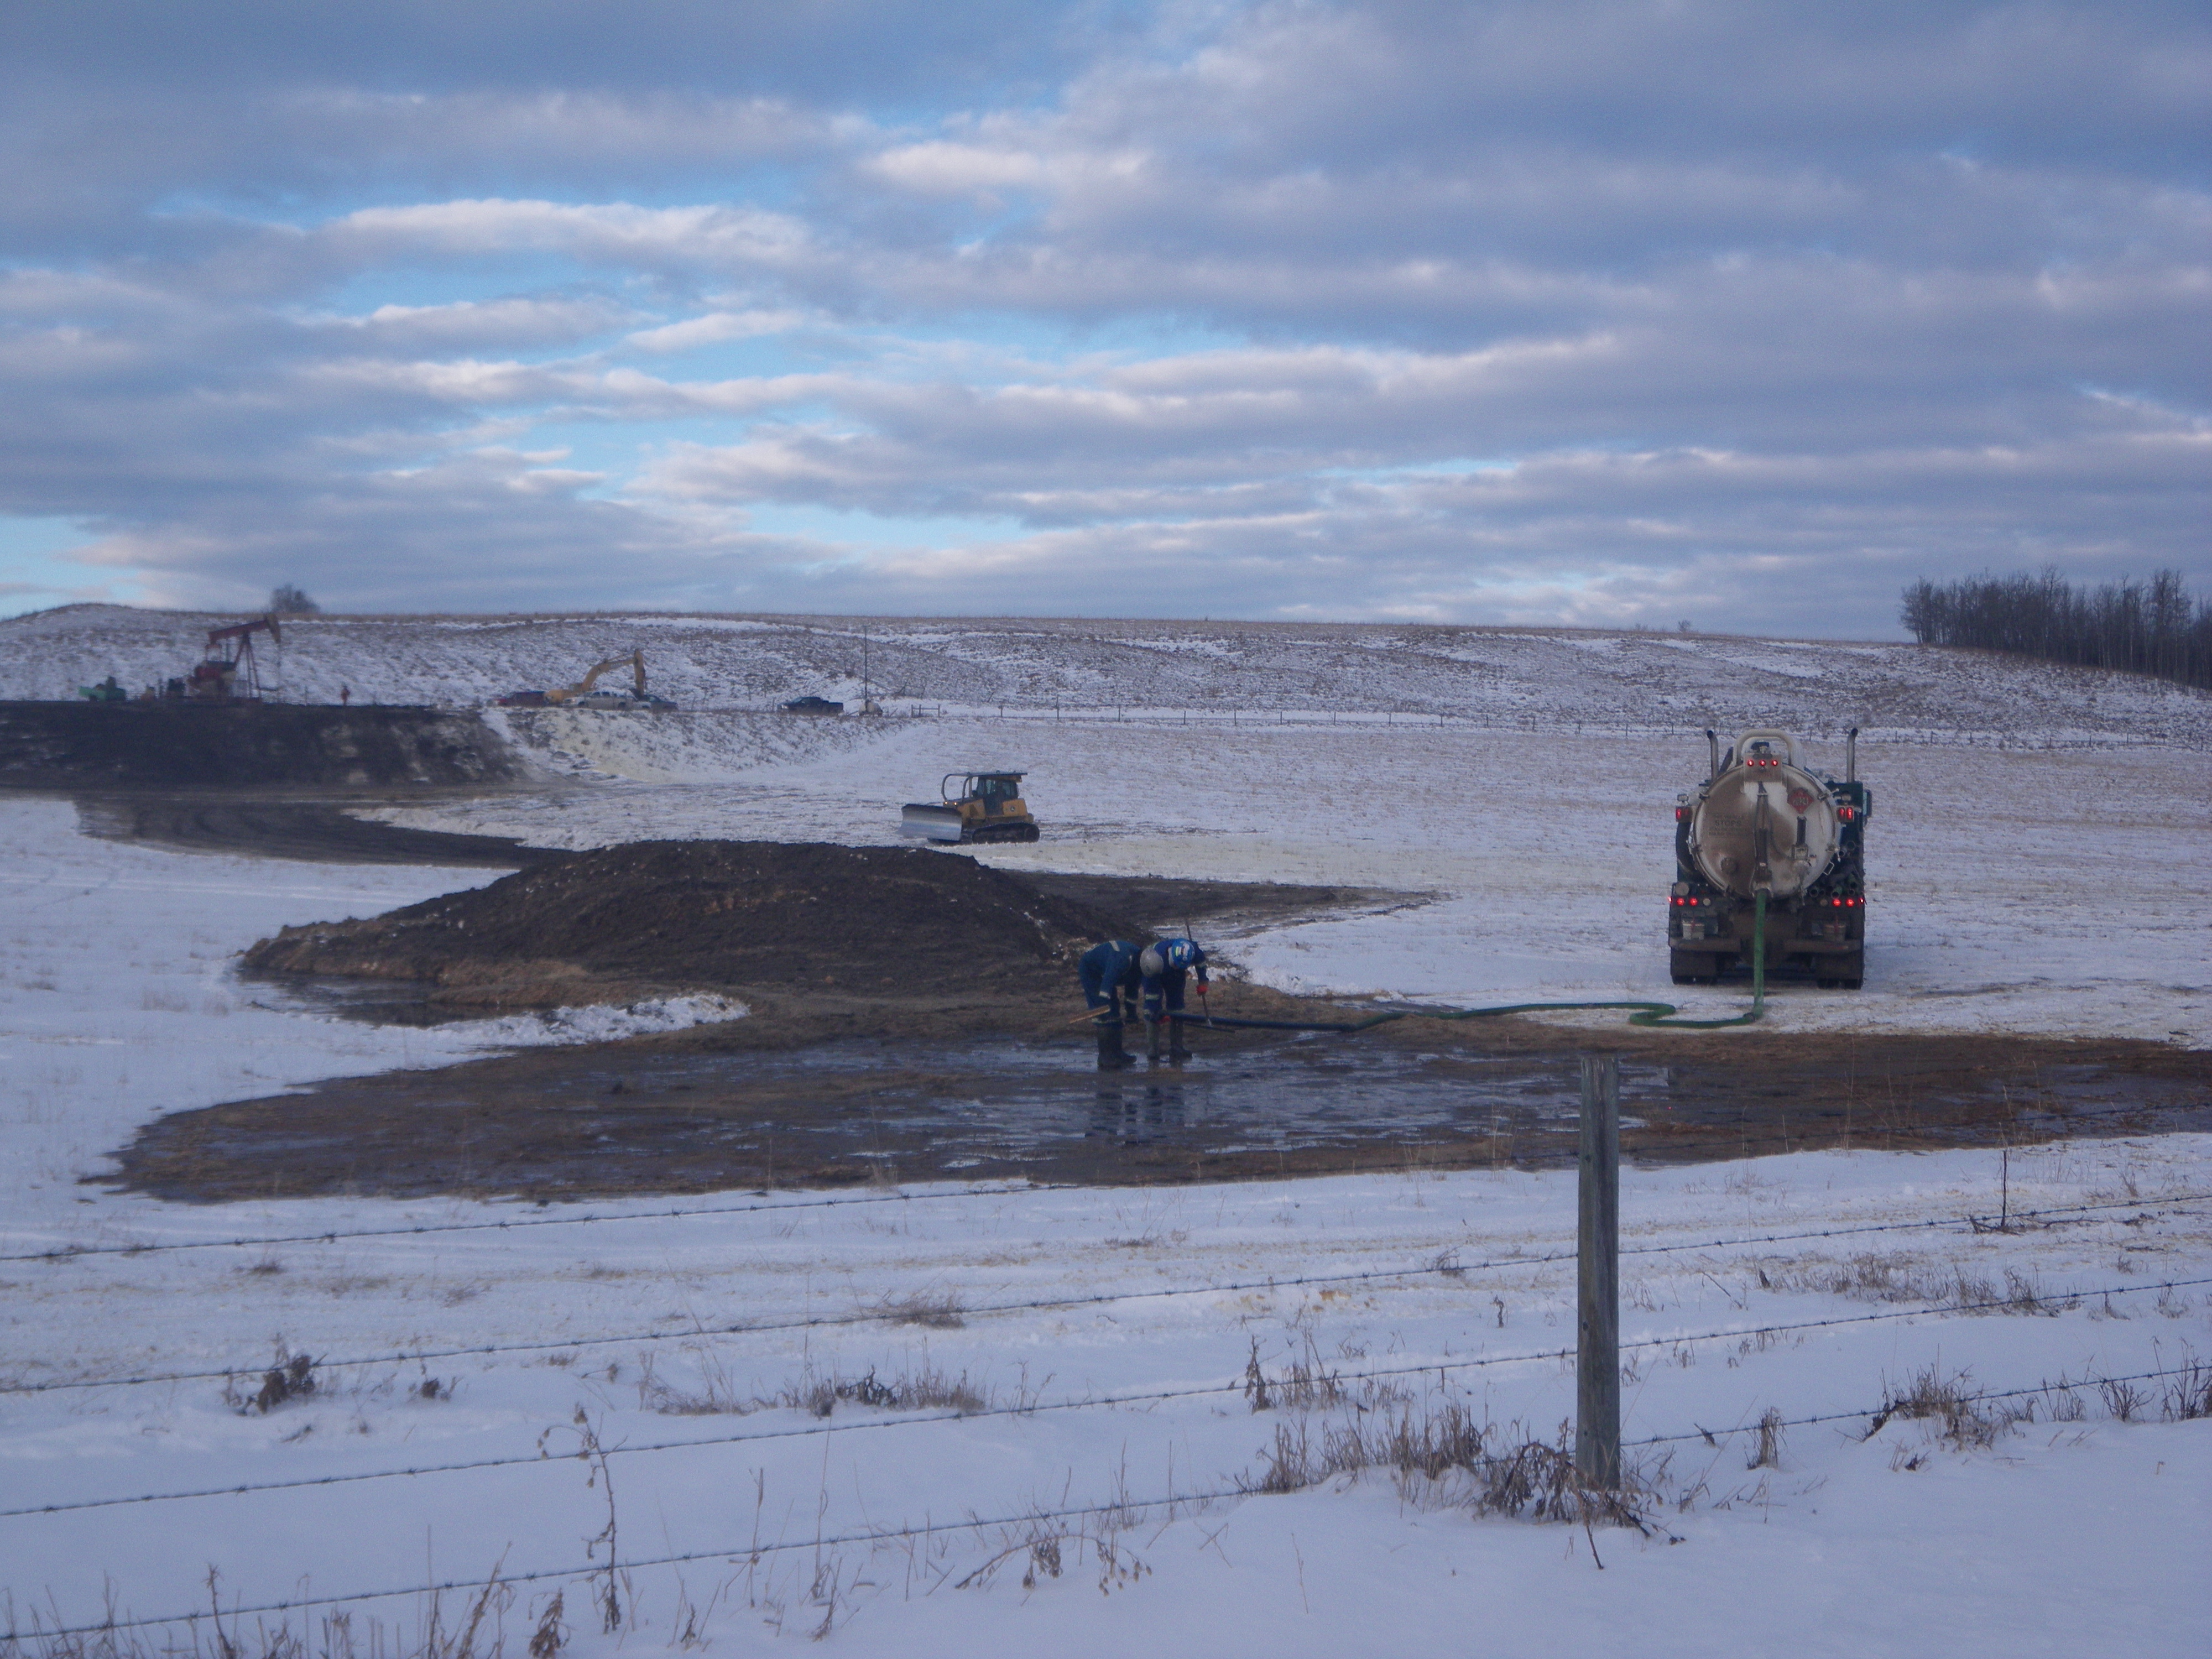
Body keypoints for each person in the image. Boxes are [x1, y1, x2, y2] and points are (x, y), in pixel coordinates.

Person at [1077, 938, 1144, 1069]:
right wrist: (1102, 1009)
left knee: (1115, 1011)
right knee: (1106, 1013)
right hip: (1092, 971)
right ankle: (1105, 1056)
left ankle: (1118, 1053)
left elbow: (1131, 992)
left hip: (1105, 972)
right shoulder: (1121, 960)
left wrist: (1131, 1013)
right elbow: (1106, 988)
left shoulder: (1139, 968)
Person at [1138, 937, 1208, 1061]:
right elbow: (1152, 997)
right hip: (1155, 973)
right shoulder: (1154, 961)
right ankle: (1153, 1050)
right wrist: (1157, 1014)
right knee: (1151, 1008)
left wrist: (1203, 981)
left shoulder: (1191, 950)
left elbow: (1201, 963)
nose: (1177, 967)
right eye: (1176, 964)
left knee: (1177, 1007)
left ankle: (1177, 1047)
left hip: (1175, 976)